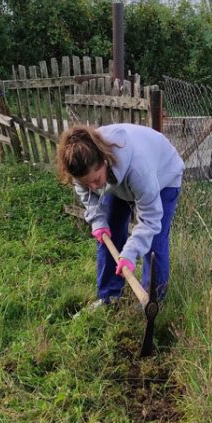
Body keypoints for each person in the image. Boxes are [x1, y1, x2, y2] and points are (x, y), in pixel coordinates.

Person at [56, 122, 184, 305]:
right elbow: (86, 192)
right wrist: (98, 221)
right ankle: (109, 297)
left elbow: (150, 220)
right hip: (117, 181)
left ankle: (152, 303)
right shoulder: (82, 162)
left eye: (95, 180)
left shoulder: (140, 170)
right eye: (86, 183)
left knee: (155, 242)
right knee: (109, 232)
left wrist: (129, 254)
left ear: (105, 160)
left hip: (164, 176)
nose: (92, 187)